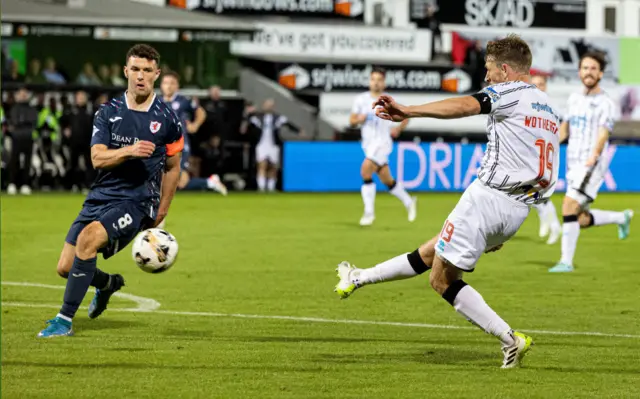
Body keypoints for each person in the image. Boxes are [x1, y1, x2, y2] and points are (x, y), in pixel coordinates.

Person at [335, 35, 557, 368]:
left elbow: (466, 105)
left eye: (489, 70)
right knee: (434, 249)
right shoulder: (548, 105)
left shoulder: (509, 92)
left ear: (506, 70)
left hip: (489, 198)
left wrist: (409, 110)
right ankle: (359, 277)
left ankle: (510, 339)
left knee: (440, 279)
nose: (487, 78)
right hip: (518, 208)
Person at [37, 44, 185, 338]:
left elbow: (173, 167)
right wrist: (130, 151)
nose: (140, 76)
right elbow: (97, 158)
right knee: (66, 267)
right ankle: (107, 284)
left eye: (147, 70)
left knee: (88, 239)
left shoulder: (168, 119)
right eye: (135, 69)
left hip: (136, 201)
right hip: (100, 195)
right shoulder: (108, 112)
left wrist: (163, 209)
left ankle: (64, 320)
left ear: (156, 74)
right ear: (125, 71)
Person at [549, 52, 634, 273]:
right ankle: (621, 217)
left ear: (600, 73)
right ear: (579, 72)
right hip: (572, 163)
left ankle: (565, 262)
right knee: (579, 219)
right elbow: (564, 129)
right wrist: (550, 147)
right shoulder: (573, 99)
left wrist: (594, 156)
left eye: (593, 68)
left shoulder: (606, 103)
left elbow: (603, 134)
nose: (589, 72)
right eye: (585, 68)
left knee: (568, 205)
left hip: (590, 164)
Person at [350, 67, 417, 226]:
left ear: (384, 82)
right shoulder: (361, 100)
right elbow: (351, 120)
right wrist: (359, 119)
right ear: (369, 81)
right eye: (373, 79)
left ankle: (369, 213)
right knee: (387, 180)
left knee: (365, 170)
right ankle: (409, 201)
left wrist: (398, 129)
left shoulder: (388, 101)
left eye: (379, 80)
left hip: (382, 143)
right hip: (368, 144)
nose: (376, 83)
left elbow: (406, 117)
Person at [160, 70, 226, 195]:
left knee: (175, 180)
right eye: (165, 83)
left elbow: (201, 112)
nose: (168, 86)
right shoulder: (157, 102)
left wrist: (195, 125)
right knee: (180, 181)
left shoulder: (184, 101)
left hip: (180, 145)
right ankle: (210, 182)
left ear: (177, 86)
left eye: (172, 83)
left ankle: (210, 182)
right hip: (163, 145)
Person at [246, 98, 304, 192]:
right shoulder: (257, 117)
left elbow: (288, 124)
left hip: (273, 145)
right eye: (267, 105)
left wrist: (298, 131)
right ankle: (261, 187)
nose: (269, 107)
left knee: (273, 166)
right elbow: (248, 125)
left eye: (271, 105)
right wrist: (248, 113)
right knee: (262, 165)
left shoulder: (278, 118)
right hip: (262, 144)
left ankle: (271, 187)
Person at [530, 75, 561, 244]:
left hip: (543, 157)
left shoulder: (551, 108)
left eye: (541, 84)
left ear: (546, 87)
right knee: (530, 193)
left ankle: (554, 226)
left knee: (535, 193)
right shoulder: (528, 105)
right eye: (534, 84)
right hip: (530, 154)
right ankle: (548, 221)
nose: (538, 87)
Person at [6, 87, 39, 195]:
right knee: (14, 160)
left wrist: (22, 122)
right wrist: (23, 123)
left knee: (27, 162)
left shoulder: (31, 108)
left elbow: (33, 121)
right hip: (16, 137)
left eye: (25, 93)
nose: (23, 95)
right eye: (21, 93)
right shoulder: (14, 108)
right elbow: (14, 121)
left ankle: (25, 184)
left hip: (28, 137)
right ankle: (12, 183)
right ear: (18, 95)